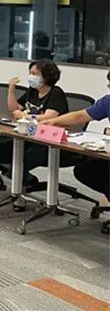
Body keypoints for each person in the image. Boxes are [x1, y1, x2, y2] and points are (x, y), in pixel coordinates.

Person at [0, 59, 69, 207]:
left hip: (48, 142)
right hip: (28, 136)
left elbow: (50, 116)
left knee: (22, 160)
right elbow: (14, 109)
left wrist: (25, 116)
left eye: (35, 73)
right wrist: (11, 89)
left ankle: (20, 194)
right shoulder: (32, 91)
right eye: (30, 73)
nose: (31, 76)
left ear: (46, 76)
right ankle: (26, 180)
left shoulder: (55, 93)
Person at [43, 70, 110, 216]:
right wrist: (53, 121)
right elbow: (81, 116)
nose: (108, 85)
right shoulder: (108, 101)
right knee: (86, 170)